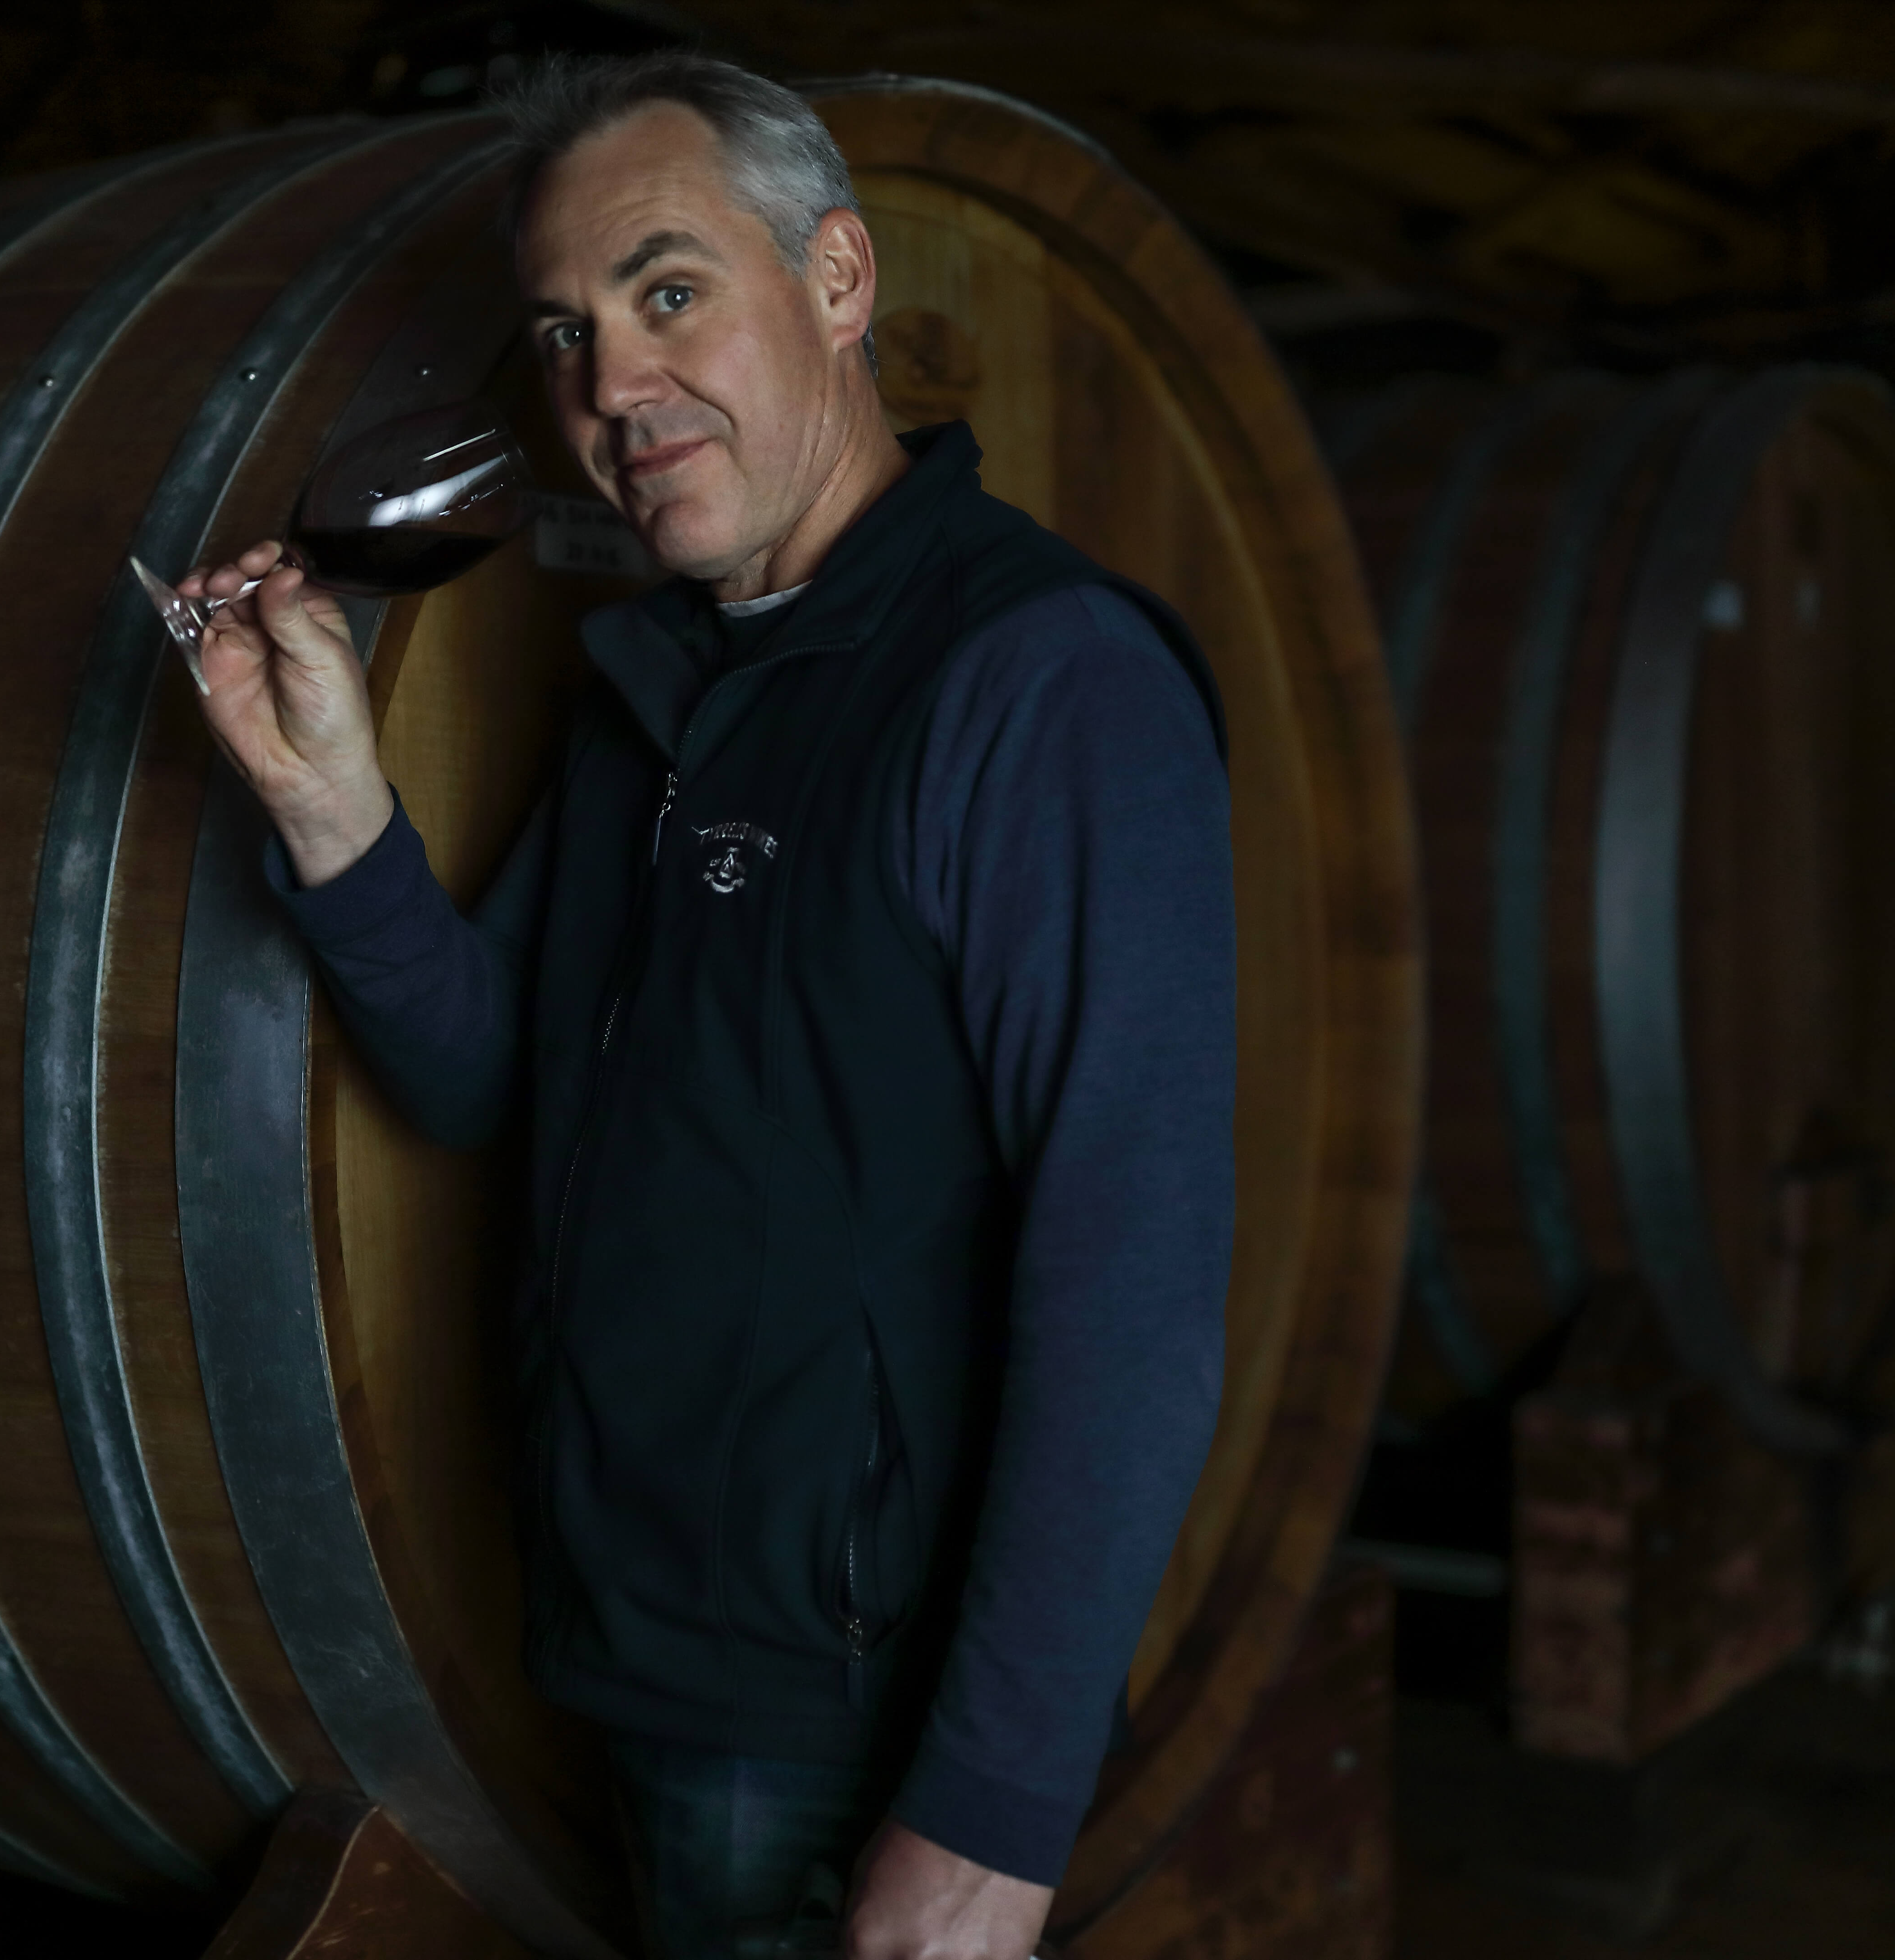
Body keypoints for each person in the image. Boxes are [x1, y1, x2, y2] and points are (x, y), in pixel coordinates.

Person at [178, 51, 1232, 1960]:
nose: (612, 386)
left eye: (671, 293)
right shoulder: (656, 696)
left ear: (838, 286)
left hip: (845, 1717)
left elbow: (1135, 1280)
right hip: (642, 1660)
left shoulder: (1038, 682)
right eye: (567, 334)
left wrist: (988, 1822)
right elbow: (489, 1078)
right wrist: (333, 810)